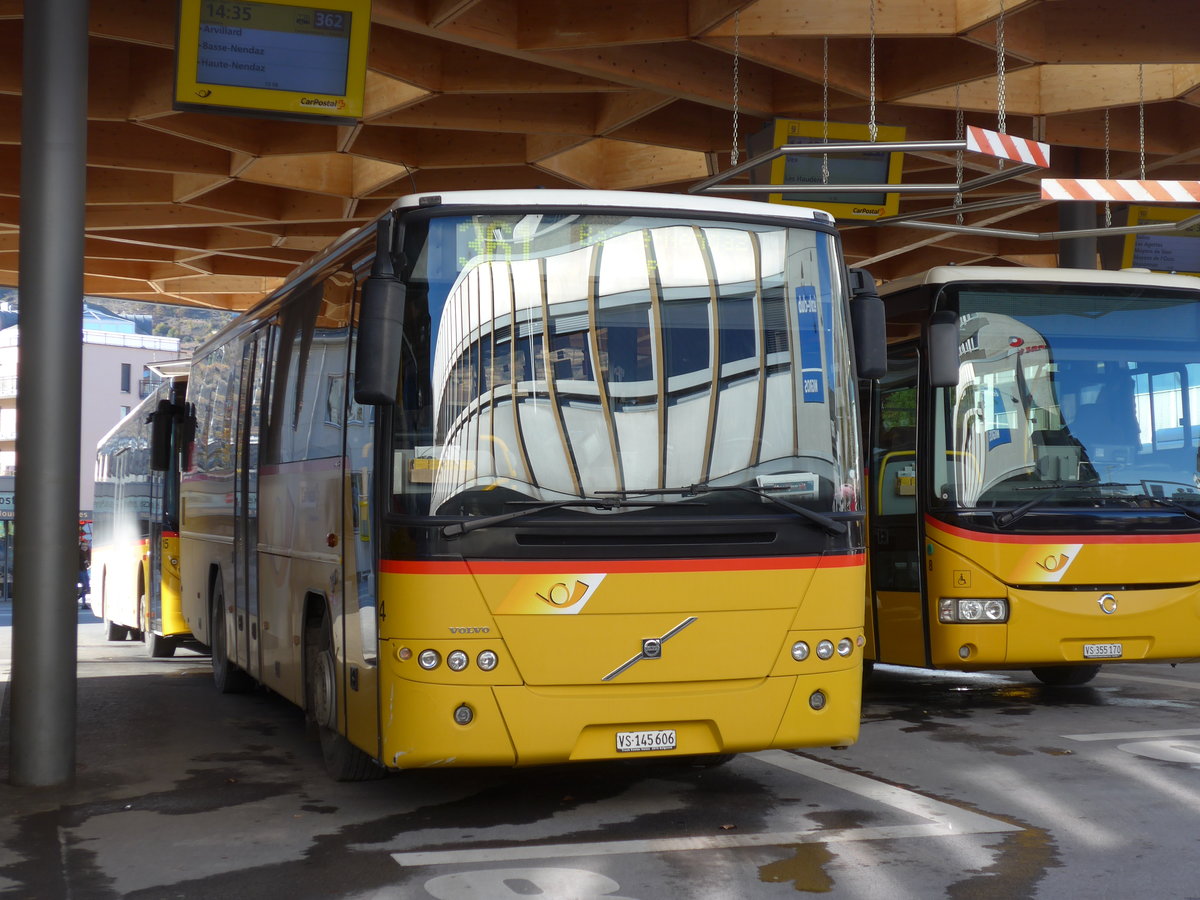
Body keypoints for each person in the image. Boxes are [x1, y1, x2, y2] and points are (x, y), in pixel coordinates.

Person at [78, 541, 90, 608]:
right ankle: (83, 603)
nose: (85, 547)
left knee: (86, 587)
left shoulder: (86, 553)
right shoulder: (80, 553)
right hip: (81, 571)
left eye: (86, 546)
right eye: (83, 546)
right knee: (85, 587)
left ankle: (83, 602)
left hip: (84, 571)